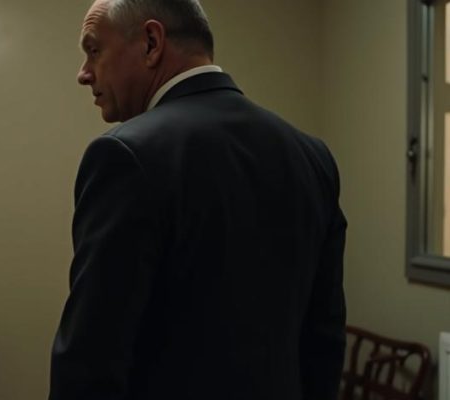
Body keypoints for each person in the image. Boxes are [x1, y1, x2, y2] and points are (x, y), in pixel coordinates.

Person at [49, 1, 346, 399]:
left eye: (94, 50)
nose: (84, 73)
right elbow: (324, 342)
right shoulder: (312, 157)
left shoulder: (125, 156)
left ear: (151, 43)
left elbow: (91, 359)